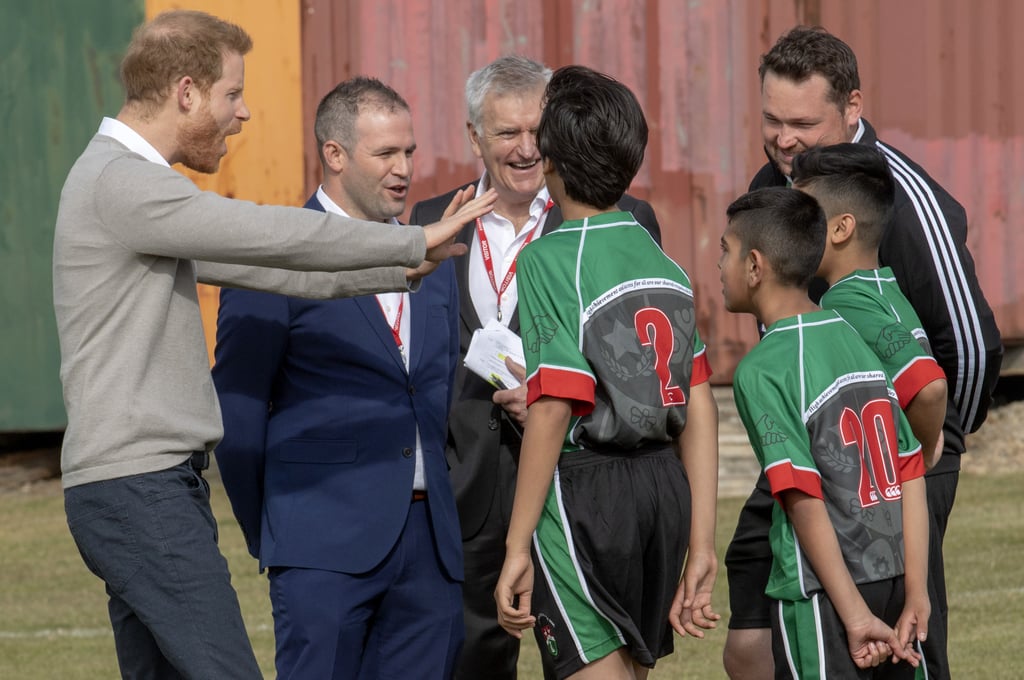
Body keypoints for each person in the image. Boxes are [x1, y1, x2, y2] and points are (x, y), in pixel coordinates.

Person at [53, 11, 494, 679]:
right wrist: (409, 240)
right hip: (138, 490)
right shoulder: (125, 182)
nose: (243, 112)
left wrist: (397, 272)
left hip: (142, 486)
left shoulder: (124, 183)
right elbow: (265, 235)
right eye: (231, 94)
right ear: (185, 91)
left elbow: (269, 269)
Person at [723, 26, 1003, 680]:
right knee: (752, 613)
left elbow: (968, 344)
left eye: (801, 122)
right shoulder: (778, 179)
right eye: (771, 119)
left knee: (905, 630)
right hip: (803, 446)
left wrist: (929, 445)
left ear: (852, 108)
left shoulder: (901, 199)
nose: (783, 137)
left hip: (897, 455)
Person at [408, 55, 662, 680]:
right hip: (467, 497)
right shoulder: (427, 223)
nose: (526, 149)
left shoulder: (619, 216)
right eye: (506, 133)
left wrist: (564, 407)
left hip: (583, 491)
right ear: (474, 137)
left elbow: (644, 368)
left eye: (537, 132)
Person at [212, 77, 465, 679]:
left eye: (409, 151)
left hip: (431, 550)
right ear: (334, 154)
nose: (404, 168)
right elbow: (239, 414)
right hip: (318, 547)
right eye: (386, 154)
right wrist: (280, 531)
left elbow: (436, 392)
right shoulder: (270, 256)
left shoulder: (436, 255)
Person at [493, 65, 720, 680]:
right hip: (664, 493)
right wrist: (702, 540)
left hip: (590, 495)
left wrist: (517, 548)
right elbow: (700, 406)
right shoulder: (665, 263)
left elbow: (554, 405)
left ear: (549, 159)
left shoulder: (550, 259)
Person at [720, 186, 929, 678]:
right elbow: (910, 469)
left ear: (755, 266)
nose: (718, 267)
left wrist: (854, 615)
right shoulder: (852, 335)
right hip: (897, 578)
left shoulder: (763, 369)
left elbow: (802, 499)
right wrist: (918, 589)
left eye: (724, 252)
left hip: (825, 592)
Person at [791, 143, 948, 469]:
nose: (789, 230)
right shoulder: (887, 290)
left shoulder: (844, 301)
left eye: (801, 217)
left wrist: (920, 457)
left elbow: (929, 386)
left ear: (840, 228)